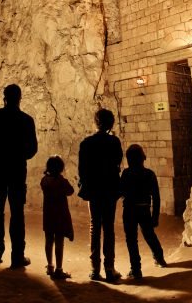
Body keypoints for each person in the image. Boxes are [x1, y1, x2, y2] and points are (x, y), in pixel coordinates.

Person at [0, 84, 38, 268]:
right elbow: (32, 149)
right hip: (16, 170)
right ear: (20, 98)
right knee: (17, 213)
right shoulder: (27, 120)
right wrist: (19, 155)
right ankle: (17, 257)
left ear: (4, 97)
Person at [78, 108, 123, 282]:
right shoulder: (114, 142)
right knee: (108, 227)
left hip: (94, 189)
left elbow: (82, 169)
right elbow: (117, 162)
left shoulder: (86, 143)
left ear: (96, 122)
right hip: (110, 188)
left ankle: (94, 269)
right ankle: (109, 268)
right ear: (110, 123)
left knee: (94, 226)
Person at [120, 144, 166, 280]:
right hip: (144, 209)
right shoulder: (150, 174)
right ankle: (159, 258)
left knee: (131, 240)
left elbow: (121, 191)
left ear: (128, 159)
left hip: (129, 210)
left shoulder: (126, 174)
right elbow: (156, 197)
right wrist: (155, 216)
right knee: (149, 235)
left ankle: (136, 269)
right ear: (143, 158)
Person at [41, 155, 74, 280]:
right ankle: (59, 269)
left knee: (48, 241)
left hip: (48, 215)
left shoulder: (44, 181)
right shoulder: (61, 182)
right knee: (59, 242)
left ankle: (50, 266)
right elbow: (70, 191)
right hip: (60, 216)